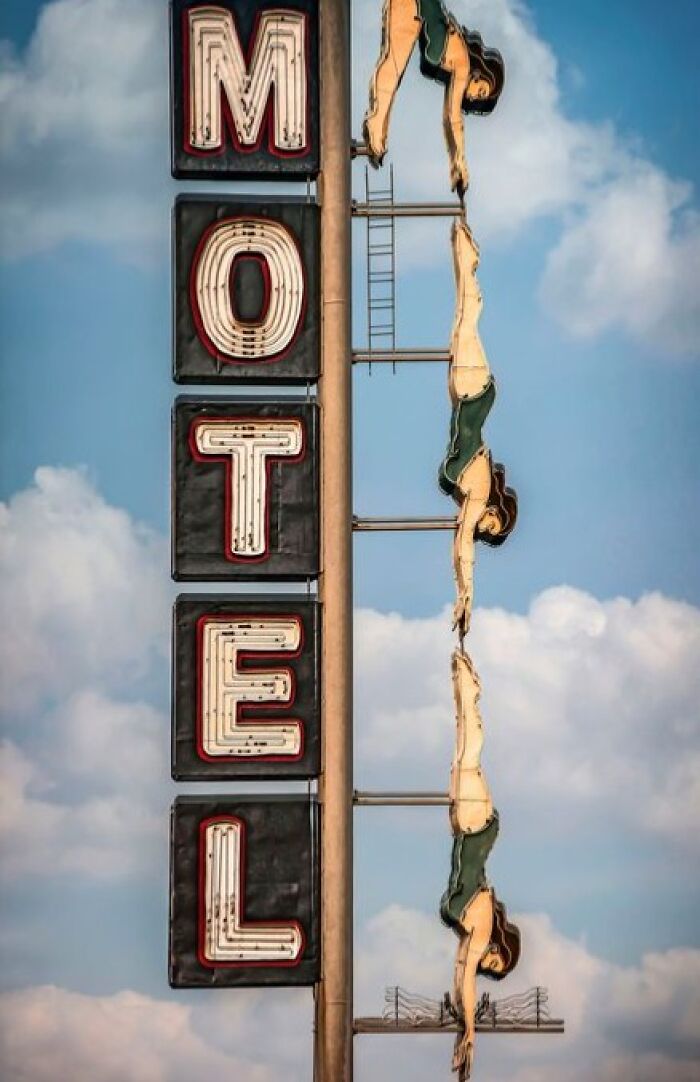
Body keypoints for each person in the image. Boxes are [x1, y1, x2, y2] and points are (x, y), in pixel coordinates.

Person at [439, 220, 516, 637]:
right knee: (469, 312)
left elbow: (463, 541)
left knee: (463, 317)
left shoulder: (473, 492)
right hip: (475, 390)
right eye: (491, 525)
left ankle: (463, 250)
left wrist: (464, 596)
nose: (482, 528)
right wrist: (465, 596)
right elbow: (462, 548)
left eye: (488, 531)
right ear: (493, 512)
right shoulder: (479, 491)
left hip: (465, 396)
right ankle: (468, 254)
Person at [363, 0, 504, 194]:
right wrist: (459, 165)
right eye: (480, 91)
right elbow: (452, 118)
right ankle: (376, 128)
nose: (472, 98)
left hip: (418, 12)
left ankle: (377, 131)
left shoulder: (457, 54)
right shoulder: (462, 64)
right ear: (480, 73)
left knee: (394, 66)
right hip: (415, 7)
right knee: (393, 66)